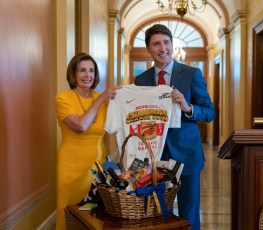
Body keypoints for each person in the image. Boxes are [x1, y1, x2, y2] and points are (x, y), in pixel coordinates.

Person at [135, 24, 214, 230]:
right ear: (148, 49)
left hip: (188, 155)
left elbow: (209, 111)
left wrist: (188, 107)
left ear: (172, 44)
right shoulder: (141, 80)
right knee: (158, 214)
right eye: (156, 44)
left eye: (167, 42)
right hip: (154, 157)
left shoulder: (191, 74)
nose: (163, 48)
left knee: (189, 213)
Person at [55, 52, 119, 229]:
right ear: (73, 74)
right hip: (70, 167)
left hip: (96, 167)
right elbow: (80, 125)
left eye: (91, 70)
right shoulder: (63, 98)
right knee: (69, 212)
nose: (87, 75)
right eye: (82, 70)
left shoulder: (104, 98)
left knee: (96, 213)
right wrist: (100, 99)